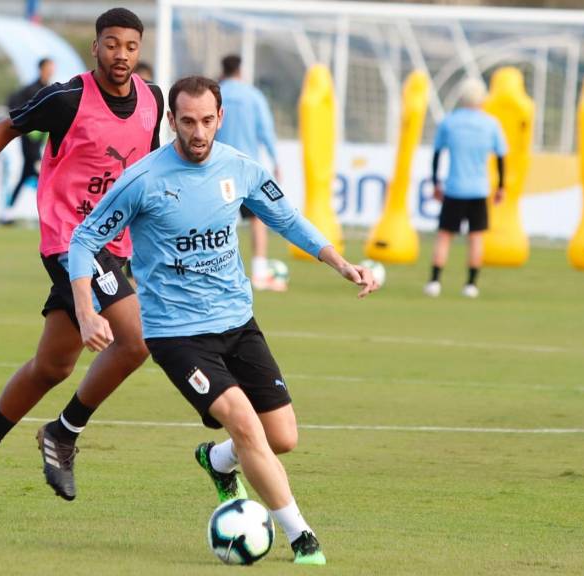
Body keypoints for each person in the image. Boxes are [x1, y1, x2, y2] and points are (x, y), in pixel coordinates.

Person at [67, 76, 379, 565]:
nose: (198, 132)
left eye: (207, 121)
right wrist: (86, 311)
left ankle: (217, 460)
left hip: (237, 322)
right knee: (245, 424)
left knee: (282, 438)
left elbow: (286, 218)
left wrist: (340, 263)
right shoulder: (143, 179)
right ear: (171, 121)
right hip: (177, 335)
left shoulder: (240, 168)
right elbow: (83, 240)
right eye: (188, 121)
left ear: (221, 118)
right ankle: (302, 537)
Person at [0, 7, 164, 516]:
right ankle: (64, 432)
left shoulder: (153, 99)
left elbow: (145, 171)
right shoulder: (66, 99)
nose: (120, 54)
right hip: (70, 241)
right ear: (95, 46)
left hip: (115, 246)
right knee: (135, 340)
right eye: (111, 44)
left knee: (52, 366)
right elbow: (7, 127)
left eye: (130, 46)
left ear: (139, 50)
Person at [425, 77, 507, 299]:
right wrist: (501, 186)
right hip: (479, 189)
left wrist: (435, 183)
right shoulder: (491, 124)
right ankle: (471, 285)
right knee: (476, 237)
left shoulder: (449, 122)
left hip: (454, 188)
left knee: (444, 236)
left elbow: (437, 155)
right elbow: (501, 157)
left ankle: (434, 282)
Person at [215, 54, 285, 291]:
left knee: (220, 221)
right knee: (257, 220)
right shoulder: (253, 96)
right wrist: (276, 161)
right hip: (247, 169)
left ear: (223, 70)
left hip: (218, 167)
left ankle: (217, 271)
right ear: (240, 71)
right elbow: (266, 131)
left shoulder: (216, 94)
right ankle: (259, 273)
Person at [4, 57, 54, 215]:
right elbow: (12, 101)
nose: (51, 70)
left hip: (40, 141)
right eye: (49, 67)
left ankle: (8, 212)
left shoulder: (51, 89)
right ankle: (50, 212)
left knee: (27, 175)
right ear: (41, 69)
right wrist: (23, 123)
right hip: (29, 140)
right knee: (43, 176)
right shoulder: (31, 89)